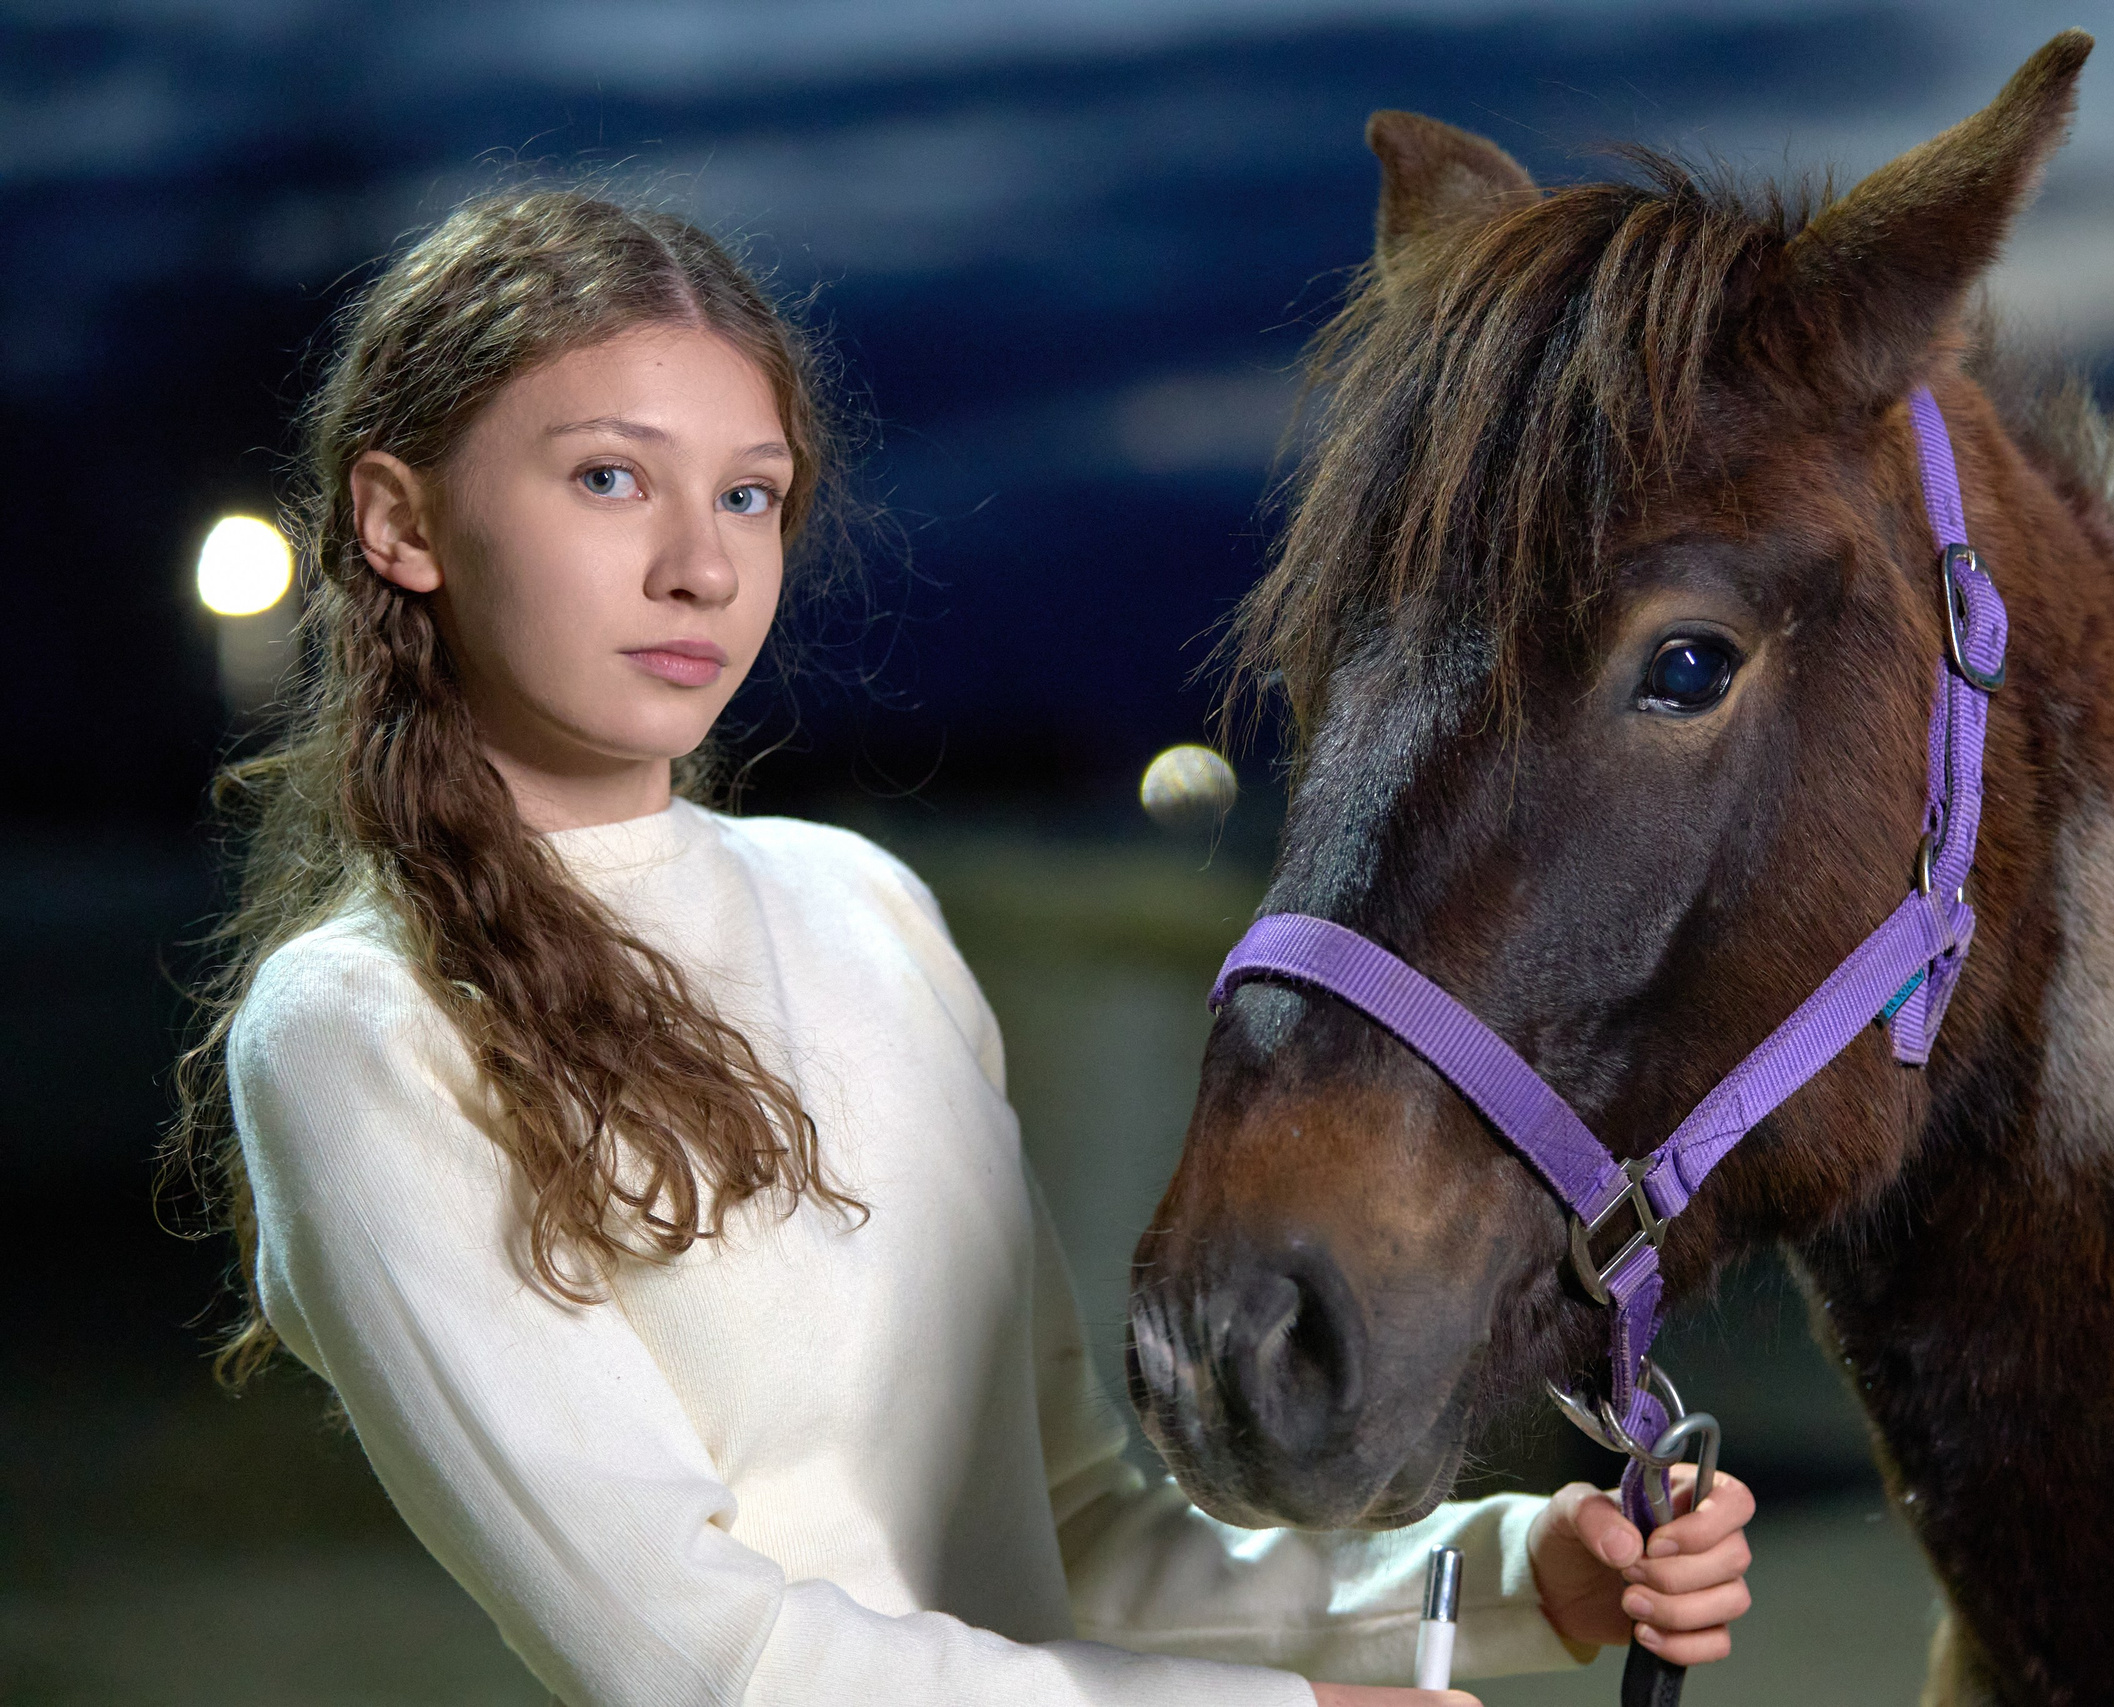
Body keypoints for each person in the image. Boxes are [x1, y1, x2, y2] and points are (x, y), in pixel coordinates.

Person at [169, 189, 1755, 1706]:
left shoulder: (862, 906)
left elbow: (1067, 1540)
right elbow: (696, 1666)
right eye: (606, 477)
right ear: (400, 522)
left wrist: (1502, 1581)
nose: (701, 567)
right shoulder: (359, 1030)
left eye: (748, 493)